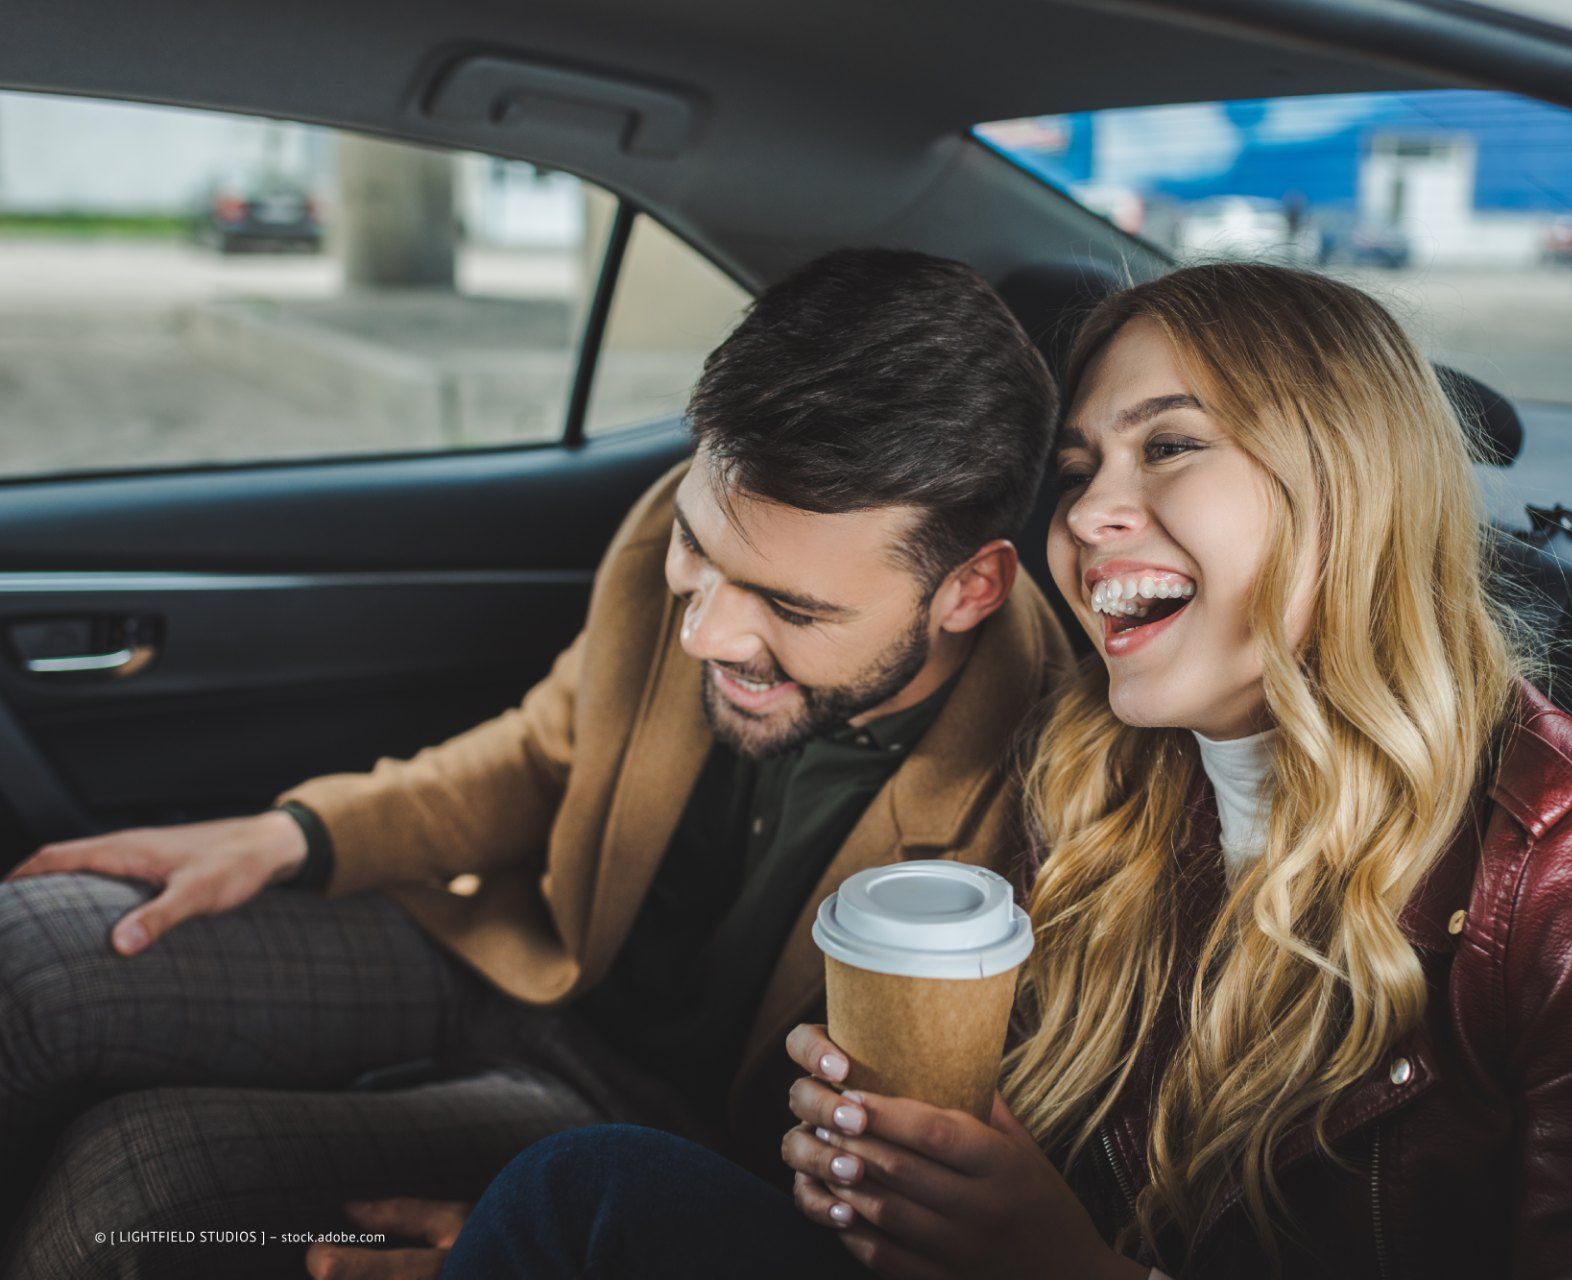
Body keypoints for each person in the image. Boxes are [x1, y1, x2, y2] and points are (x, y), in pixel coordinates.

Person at [437, 262, 1572, 1280]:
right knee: (583, 1199)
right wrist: (872, 1176)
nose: (1084, 515)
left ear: (1348, 487)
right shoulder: (1104, 774)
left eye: (1170, 446)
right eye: (1075, 470)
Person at [0, 247, 1073, 1279]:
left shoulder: (1049, 795)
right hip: (523, 954)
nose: (705, 632)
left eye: (791, 609)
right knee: (30, 956)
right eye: (700, 552)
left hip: (660, 1138)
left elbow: (912, 1191)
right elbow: (544, 752)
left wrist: (593, 1241)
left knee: (134, 1188)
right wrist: (292, 832)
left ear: (970, 589)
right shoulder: (686, 515)